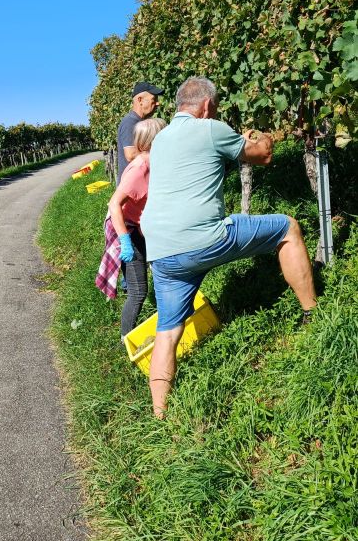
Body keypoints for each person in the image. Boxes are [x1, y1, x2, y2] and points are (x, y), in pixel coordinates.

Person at [141, 77, 317, 417]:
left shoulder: (160, 139)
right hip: (202, 238)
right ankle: (313, 313)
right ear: (207, 105)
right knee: (288, 228)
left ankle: (159, 414)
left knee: (168, 331)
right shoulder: (210, 128)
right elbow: (263, 156)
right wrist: (259, 137)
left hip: (161, 250)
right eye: (217, 106)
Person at [96, 117, 166, 339]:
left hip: (138, 225)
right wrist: (125, 240)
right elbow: (114, 204)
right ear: (154, 141)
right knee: (138, 291)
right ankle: (126, 340)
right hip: (125, 227)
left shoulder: (157, 162)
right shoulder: (140, 168)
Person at [117, 81, 164, 184]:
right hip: (131, 187)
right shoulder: (130, 122)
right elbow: (131, 155)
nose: (157, 103)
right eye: (154, 99)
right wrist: (161, 155)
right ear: (140, 100)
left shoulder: (139, 122)